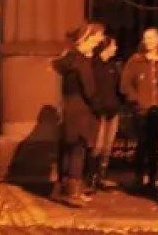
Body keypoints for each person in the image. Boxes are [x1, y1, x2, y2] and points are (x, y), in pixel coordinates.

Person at [52, 21, 105, 206]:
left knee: (68, 148)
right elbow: (89, 90)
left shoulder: (68, 59)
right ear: (87, 38)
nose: (98, 42)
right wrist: (99, 109)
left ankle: (62, 188)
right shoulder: (81, 61)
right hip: (82, 110)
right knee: (78, 149)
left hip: (69, 107)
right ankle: (74, 192)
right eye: (95, 38)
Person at [120, 27, 158, 191]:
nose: (149, 41)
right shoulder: (136, 60)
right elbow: (125, 84)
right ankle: (139, 176)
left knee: (154, 145)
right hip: (142, 109)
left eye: (152, 38)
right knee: (142, 143)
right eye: (146, 38)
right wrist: (136, 99)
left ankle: (152, 177)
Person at [90, 36, 122, 191]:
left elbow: (118, 88)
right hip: (99, 112)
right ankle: (91, 177)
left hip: (112, 111)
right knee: (98, 145)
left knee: (107, 147)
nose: (115, 48)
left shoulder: (113, 66)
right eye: (114, 45)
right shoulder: (94, 66)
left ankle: (101, 175)